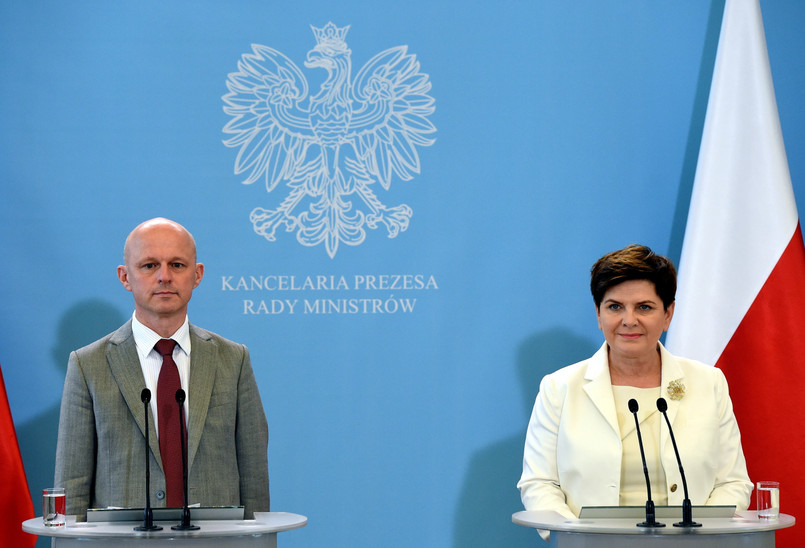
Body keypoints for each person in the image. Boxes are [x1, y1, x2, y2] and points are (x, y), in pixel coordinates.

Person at [517, 244, 752, 535]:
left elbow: (732, 482)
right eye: (615, 306)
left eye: (644, 307)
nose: (629, 320)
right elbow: (539, 483)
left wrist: (698, 537)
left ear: (668, 314)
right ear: (598, 314)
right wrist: (576, 535)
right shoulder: (560, 387)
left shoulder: (707, 383)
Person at [54, 218, 269, 519]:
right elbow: (71, 484)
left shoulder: (234, 360)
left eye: (177, 265)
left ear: (197, 275)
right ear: (125, 277)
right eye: (150, 265)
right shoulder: (88, 365)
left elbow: (254, 477)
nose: (164, 277)